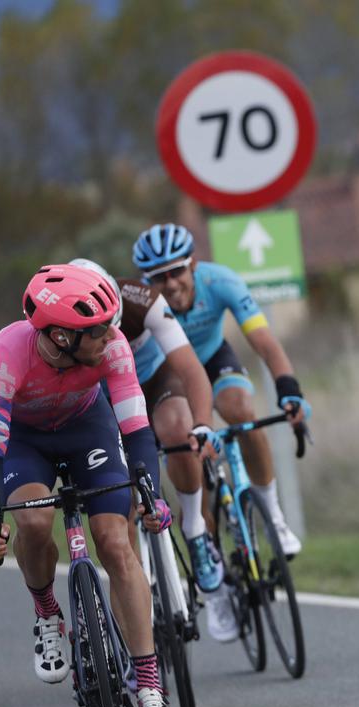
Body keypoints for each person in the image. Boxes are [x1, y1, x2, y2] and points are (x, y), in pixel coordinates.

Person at [0, 264, 178, 707]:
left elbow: (136, 429)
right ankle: (47, 612)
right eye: (99, 330)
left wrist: (149, 488)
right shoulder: (6, 354)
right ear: (62, 337)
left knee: (114, 541)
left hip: (89, 429)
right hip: (26, 442)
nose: (112, 336)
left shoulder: (113, 347)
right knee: (35, 522)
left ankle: (148, 687)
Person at [68, 259, 238, 643]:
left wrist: (203, 424)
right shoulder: (61, 324)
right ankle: (135, 612)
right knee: (117, 495)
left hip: (154, 379)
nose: (107, 332)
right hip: (101, 398)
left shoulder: (143, 299)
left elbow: (192, 370)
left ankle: (195, 529)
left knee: (178, 428)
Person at [131, 224, 309, 558]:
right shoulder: (141, 302)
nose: (170, 284)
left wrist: (288, 387)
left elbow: (264, 341)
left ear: (193, 264)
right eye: (158, 277)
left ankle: (273, 516)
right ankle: (208, 553)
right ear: (147, 281)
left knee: (240, 409)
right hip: (170, 374)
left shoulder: (222, 281)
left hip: (213, 357)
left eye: (176, 271)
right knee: (184, 444)